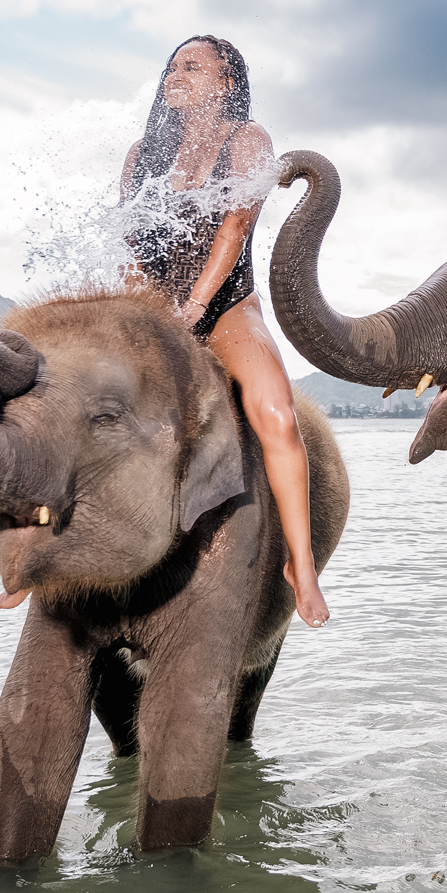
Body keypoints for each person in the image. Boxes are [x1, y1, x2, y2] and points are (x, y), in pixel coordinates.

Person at [118, 35, 330, 627]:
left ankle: (301, 565)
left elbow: (235, 225)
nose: (176, 75)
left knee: (278, 416)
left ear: (227, 82)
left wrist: (191, 314)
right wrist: (150, 313)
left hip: (228, 305)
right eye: (172, 66)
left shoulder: (247, 139)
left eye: (193, 66)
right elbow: (129, 244)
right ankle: (36, 556)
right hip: (157, 305)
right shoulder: (141, 155)